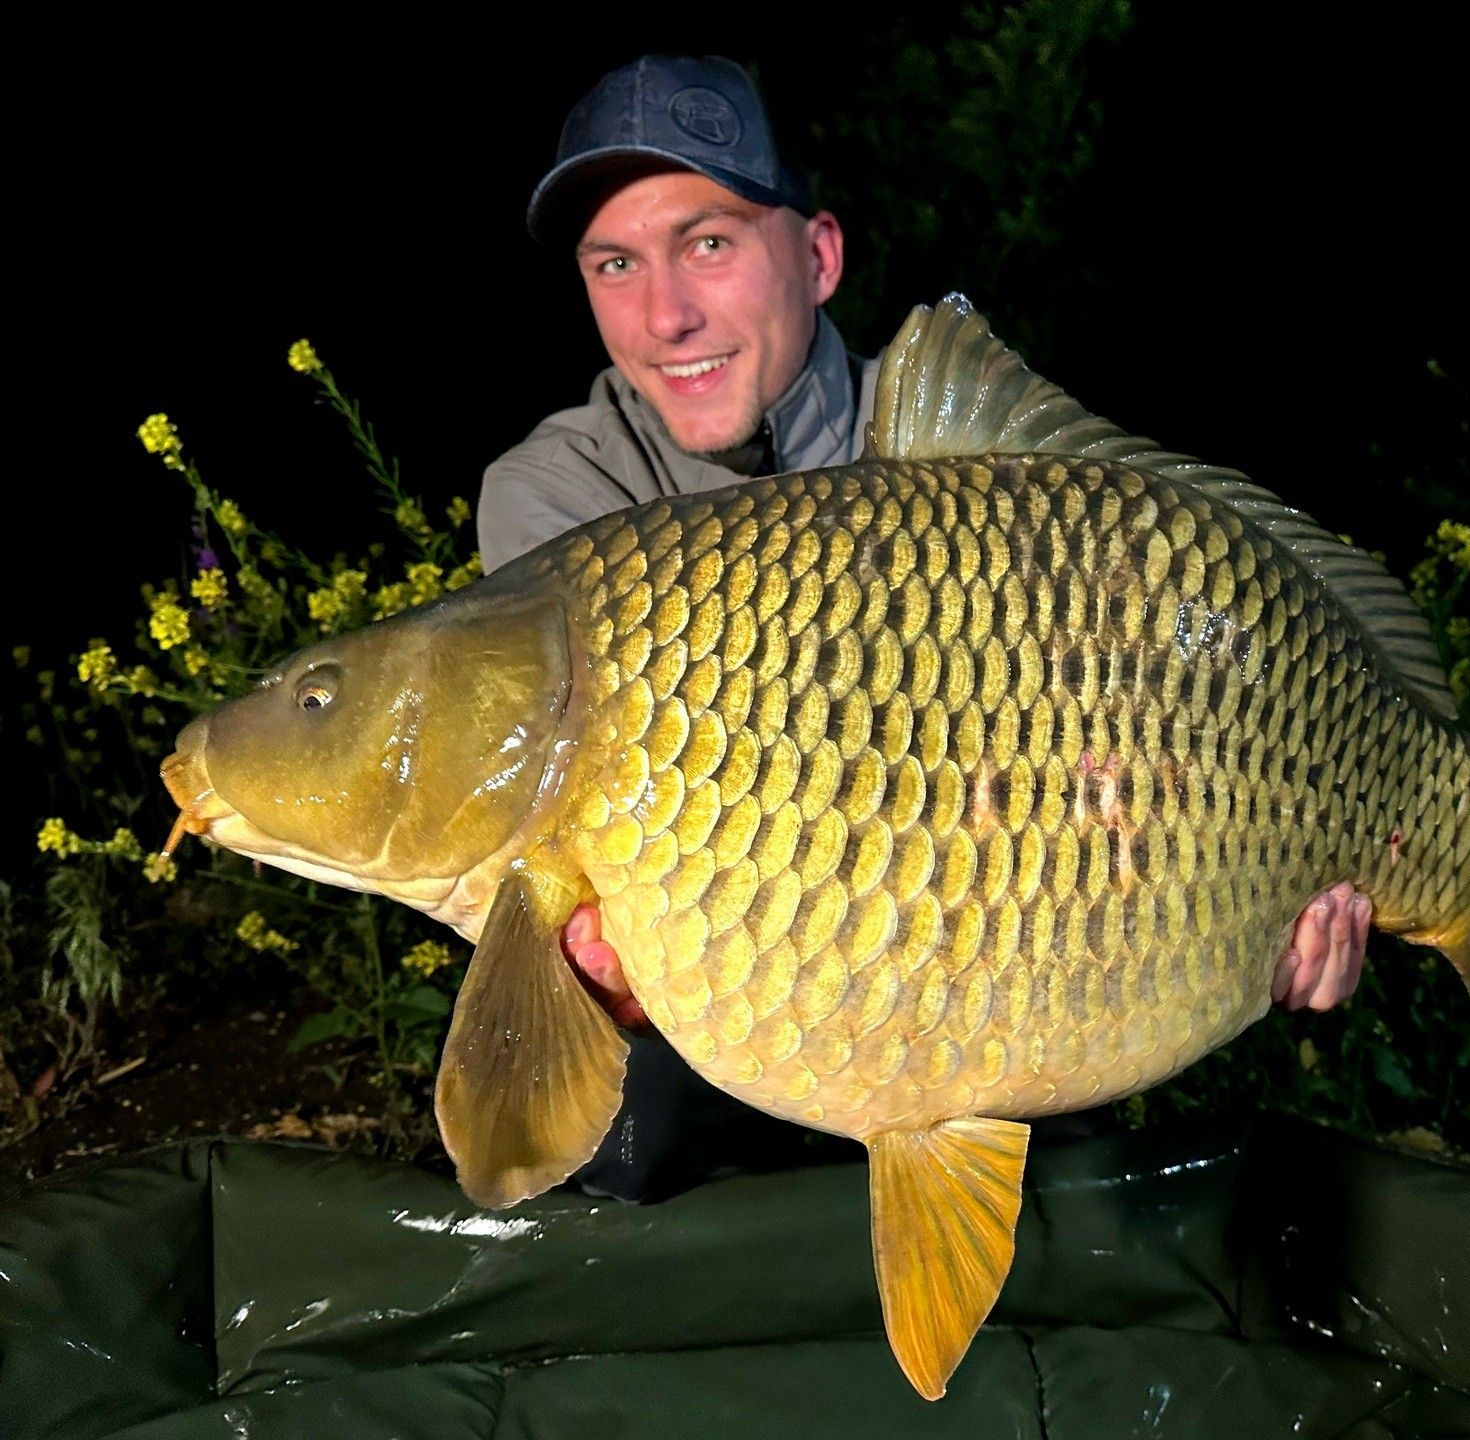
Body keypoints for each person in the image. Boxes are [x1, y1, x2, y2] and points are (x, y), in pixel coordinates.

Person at [478, 55, 1372, 1200]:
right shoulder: (557, 504)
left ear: (818, 256)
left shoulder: (976, 468)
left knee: (1089, 1151)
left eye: (710, 243)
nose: (666, 315)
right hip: (747, 1000)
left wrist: (1247, 907)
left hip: (1020, 953)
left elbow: (1164, 724)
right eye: (616, 263)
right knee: (616, 1110)